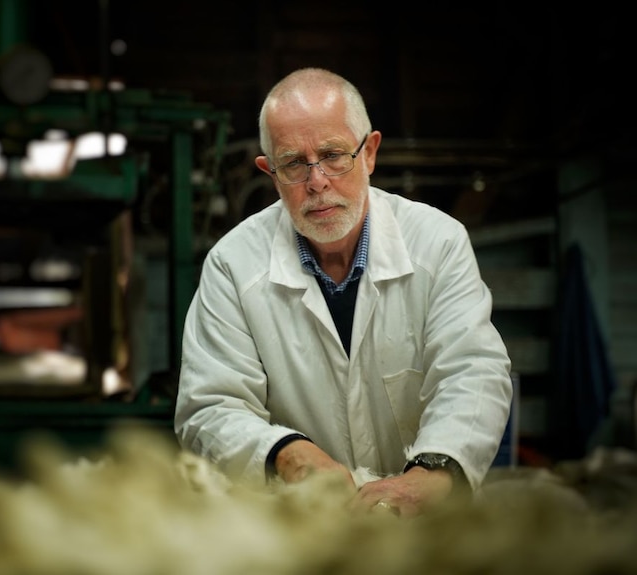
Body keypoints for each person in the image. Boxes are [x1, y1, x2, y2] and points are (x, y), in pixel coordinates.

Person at [173, 67, 513, 517]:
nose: (317, 182)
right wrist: (287, 454)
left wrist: (432, 473)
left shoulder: (438, 242)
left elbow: (472, 372)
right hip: (297, 524)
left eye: (334, 155)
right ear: (270, 172)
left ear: (369, 152)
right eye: (294, 163)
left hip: (428, 527)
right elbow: (209, 406)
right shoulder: (232, 265)